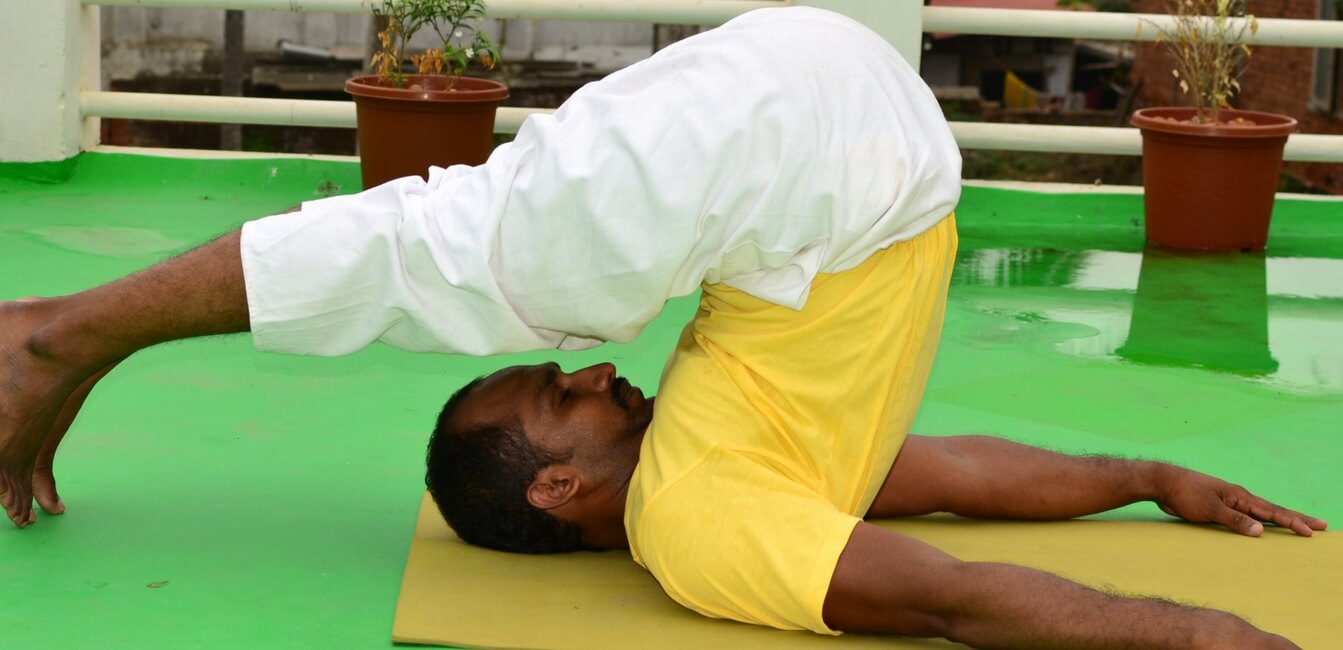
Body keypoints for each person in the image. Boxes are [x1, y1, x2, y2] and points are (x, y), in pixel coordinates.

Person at [0, 6, 1324, 648]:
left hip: (824, 156)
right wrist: (1202, 628)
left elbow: (942, 496)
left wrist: (1151, 480)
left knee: (487, 238)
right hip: (833, 149)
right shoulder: (703, 530)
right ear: (563, 482)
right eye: (553, 394)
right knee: (468, 239)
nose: (590, 369)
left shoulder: (706, 457)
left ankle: (67, 335)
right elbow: (952, 572)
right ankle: (58, 335)